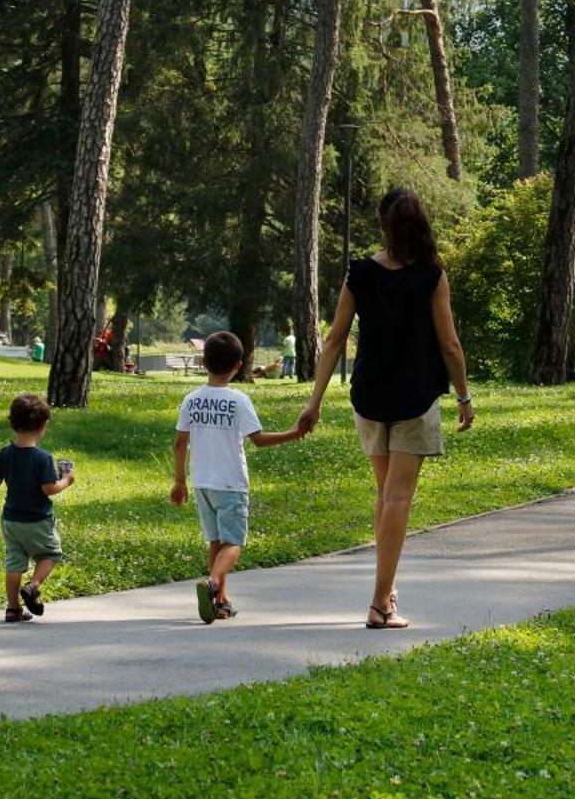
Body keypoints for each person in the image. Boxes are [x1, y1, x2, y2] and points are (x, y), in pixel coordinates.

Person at [299, 189, 472, 629]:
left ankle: (386, 588)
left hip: (370, 396)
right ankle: (380, 603)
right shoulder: (431, 275)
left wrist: (314, 401)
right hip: (414, 397)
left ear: (383, 224)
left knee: (385, 497)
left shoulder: (360, 273)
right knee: (397, 499)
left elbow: (335, 339)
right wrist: (464, 396)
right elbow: (449, 343)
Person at [171, 331, 307, 622]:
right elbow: (257, 440)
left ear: (204, 362)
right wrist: (293, 434)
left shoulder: (191, 400)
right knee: (234, 543)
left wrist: (179, 481)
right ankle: (212, 583)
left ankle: (220, 601)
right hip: (230, 484)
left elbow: (180, 442)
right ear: (238, 365)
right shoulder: (238, 401)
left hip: (202, 482)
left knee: (215, 541)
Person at [0, 392, 74, 623]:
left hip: (11, 519)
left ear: (11, 423)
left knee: (14, 561)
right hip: (37, 519)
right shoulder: (42, 458)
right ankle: (33, 586)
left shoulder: (5, 453)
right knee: (50, 554)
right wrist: (66, 480)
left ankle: (13, 608)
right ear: (44, 426)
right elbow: (49, 489)